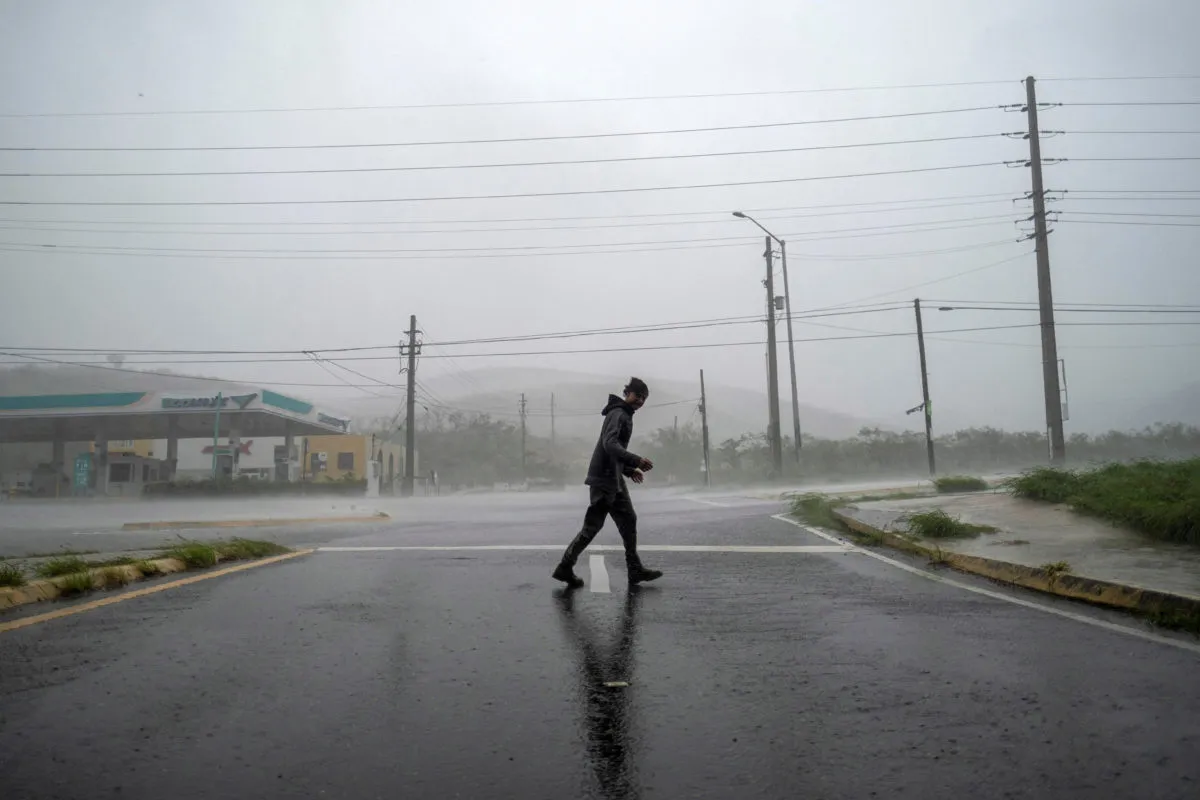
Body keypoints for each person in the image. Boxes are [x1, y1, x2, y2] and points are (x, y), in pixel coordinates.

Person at [553, 377, 664, 588]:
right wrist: (636, 460)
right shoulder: (618, 413)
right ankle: (565, 567)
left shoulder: (624, 414)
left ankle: (634, 569)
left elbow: (613, 453)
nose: (640, 401)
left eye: (644, 398)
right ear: (627, 393)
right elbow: (609, 444)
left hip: (614, 478)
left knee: (629, 520)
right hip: (604, 480)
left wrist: (629, 470)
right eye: (637, 395)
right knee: (592, 527)